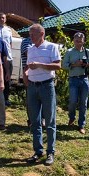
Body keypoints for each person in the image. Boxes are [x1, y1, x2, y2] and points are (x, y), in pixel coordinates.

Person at [24, 24, 61, 166]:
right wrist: (26, 75)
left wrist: (39, 65)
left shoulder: (51, 47)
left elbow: (58, 65)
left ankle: (50, 152)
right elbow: (28, 66)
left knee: (50, 121)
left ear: (42, 33)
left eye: (33, 34)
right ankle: (38, 151)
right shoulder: (30, 49)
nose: (30, 37)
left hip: (46, 86)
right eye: (30, 34)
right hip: (33, 87)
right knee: (35, 121)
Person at [61, 32, 89, 135]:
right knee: (72, 101)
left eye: (80, 41)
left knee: (83, 103)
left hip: (84, 79)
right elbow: (63, 65)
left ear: (83, 41)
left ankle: (81, 125)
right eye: (76, 41)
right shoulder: (69, 52)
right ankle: (72, 117)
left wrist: (86, 64)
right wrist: (74, 65)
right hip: (73, 79)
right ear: (73, 41)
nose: (78, 43)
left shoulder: (87, 52)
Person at [0, 22, 11, 130]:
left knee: (0, 98)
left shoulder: (1, 42)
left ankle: (1, 122)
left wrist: (7, 71)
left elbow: (5, 59)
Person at [0, 13, 14, 106]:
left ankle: (6, 98)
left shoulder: (9, 30)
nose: (1, 19)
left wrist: (9, 53)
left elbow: (10, 43)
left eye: (3, 18)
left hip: (8, 57)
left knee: (7, 78)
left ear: (5, 19)